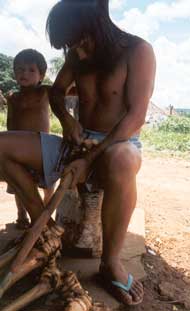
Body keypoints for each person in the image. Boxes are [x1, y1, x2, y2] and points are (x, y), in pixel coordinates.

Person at [0, 0, 155, 306]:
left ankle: (110, 263)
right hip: (75, 143)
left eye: (81, 41)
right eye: (71, 46)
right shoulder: (76, 53)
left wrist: (91, 157)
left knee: (122, 160)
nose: (78, 52)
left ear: (98, 25)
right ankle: (42, 229)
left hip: (117, 144)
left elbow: (135, 116)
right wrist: (69, 122)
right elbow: (57, 93)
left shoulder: (138, 51)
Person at [6, 49, 54, 229]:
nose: (24, 73)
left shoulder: (45, 92)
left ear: (41, 75)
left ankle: (46, 212)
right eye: (19, 69)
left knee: (47, 184)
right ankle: (21, 215)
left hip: (41, 148)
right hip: (17, 149)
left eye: (31, 70)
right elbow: (10, 122)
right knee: (19, 185)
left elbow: (67, 91)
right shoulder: (13, 98)